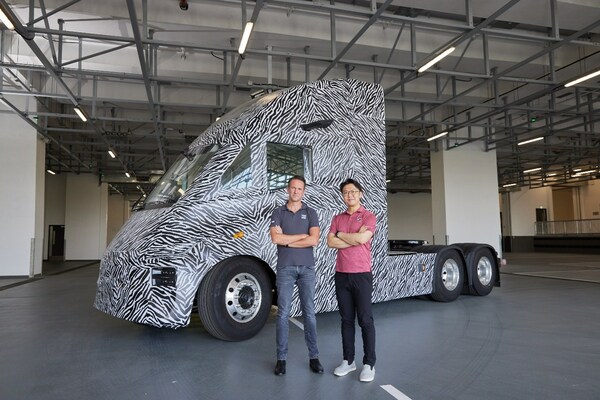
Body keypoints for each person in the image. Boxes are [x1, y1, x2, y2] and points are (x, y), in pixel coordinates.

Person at [269, 175, 323, 376]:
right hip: (285, 269)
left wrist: (288, 241)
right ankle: (281, 359)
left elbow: (314, 240)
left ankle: (314, 357)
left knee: (309, 313)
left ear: (303, 191)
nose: (296, 191)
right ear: (287, 190)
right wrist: (302, 236)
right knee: (283, 314)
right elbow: (275, 238)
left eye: (299, 188)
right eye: (293, 188)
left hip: (307, 269)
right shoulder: (278, 212)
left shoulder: (311, 212)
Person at [327, 178, 377, 382]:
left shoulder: (368, 216)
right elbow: (331, 242)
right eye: (346, 192)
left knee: (365, 319)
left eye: (353, 191)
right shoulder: (337, 218)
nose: (350, 195)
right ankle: (348, 361)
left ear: (360, 193)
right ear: (342, 195)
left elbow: (363, 239)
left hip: (362, 274)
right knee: (346, 320)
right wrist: (351, 237)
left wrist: (342, 236)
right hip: (342, 274)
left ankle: (369, 363)